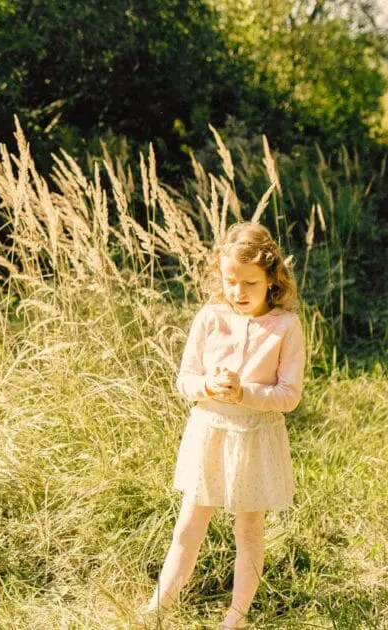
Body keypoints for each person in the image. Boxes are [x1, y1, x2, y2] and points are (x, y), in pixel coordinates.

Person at [139, 222, 305, 628]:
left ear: (272, 279)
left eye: (250, 282)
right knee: (189, 524)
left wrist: (245, 393)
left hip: (255, 437)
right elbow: (185, 380)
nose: (239, 292)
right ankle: (159, 606)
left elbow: (290, 395)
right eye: (231, 281)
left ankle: (236, 617)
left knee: (248, 531)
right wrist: (209, 387)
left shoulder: (285, 326)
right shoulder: (210, 317)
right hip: (210, 431)